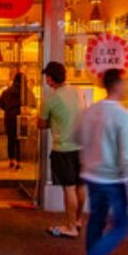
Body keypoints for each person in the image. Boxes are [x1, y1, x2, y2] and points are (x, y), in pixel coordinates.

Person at [68, 69, 128, 255]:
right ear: (118, 85)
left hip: (91, 174)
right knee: (124, 223)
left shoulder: (90, 111)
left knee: (97, 218)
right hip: (113, 178)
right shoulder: (124, 116)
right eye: (126, 82)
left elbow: (77, 138)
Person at [40, 61, 87, 239]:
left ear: (50, 79)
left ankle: (70, 227)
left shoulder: (51, 97)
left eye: (47, 77)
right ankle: (77, 220)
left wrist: (51, 120)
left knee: (69, 188)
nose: (46, 80)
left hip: (64, 148)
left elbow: (41, 123)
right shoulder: (79, 92)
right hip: (83, 147)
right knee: (81, 185)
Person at [0, 72, 37, 170]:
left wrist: (8, 109)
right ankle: (19, 162)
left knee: (10, 140)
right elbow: (34, 105)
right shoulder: (27, 92)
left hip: (9, 118)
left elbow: (0, 104)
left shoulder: (6, 91)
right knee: (19, 141)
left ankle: (11, 161)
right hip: (22, 118)